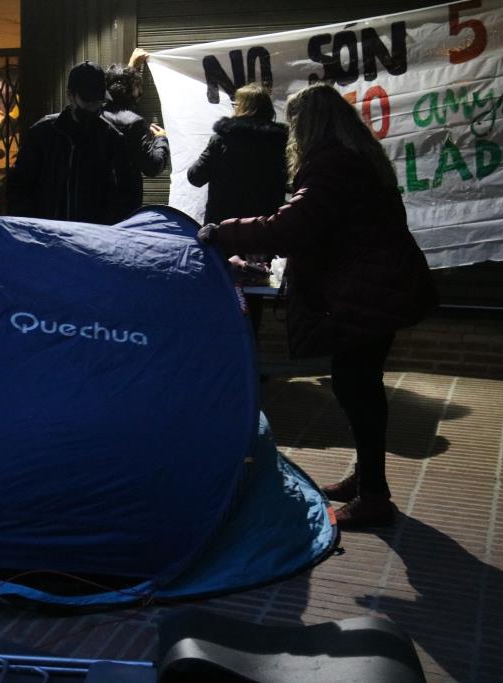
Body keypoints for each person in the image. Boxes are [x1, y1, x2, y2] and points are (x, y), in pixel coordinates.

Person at [197, 83, 438, 530]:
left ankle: (374, 495)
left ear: (308, 124)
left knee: (356, 387)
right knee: (360, 385)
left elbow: (295, 224)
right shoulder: (358, 158)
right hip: (379, 287)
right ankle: (367, 478)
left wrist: (224, 230)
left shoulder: (330, 164)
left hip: (366, 292)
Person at [188, 83, 289, 335]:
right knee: (254, 290)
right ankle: (251, 356)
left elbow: (195, 176)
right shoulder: (281, 143)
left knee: (222, 287)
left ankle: (227, 355)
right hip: (262, 229)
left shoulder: (222, 139)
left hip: (222, 229)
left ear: (242, 107)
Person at [7, 61, 126, 224]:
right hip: (47, 234)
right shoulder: (42, 133)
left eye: (97, 101)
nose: (93, 107)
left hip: (93, 238)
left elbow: (121, 194)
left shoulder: (111, 138)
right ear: (70, 95)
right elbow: (20, 186)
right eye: (87, 100)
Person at [102, 49, 170, 218]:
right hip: (123, 205)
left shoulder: (95, 115)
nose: (141, 92)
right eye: (138, 87)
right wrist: (161, 140)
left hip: (95, 202)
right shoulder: (134, 123)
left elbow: (119, 99)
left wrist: (130, 68)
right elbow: (152, 166)